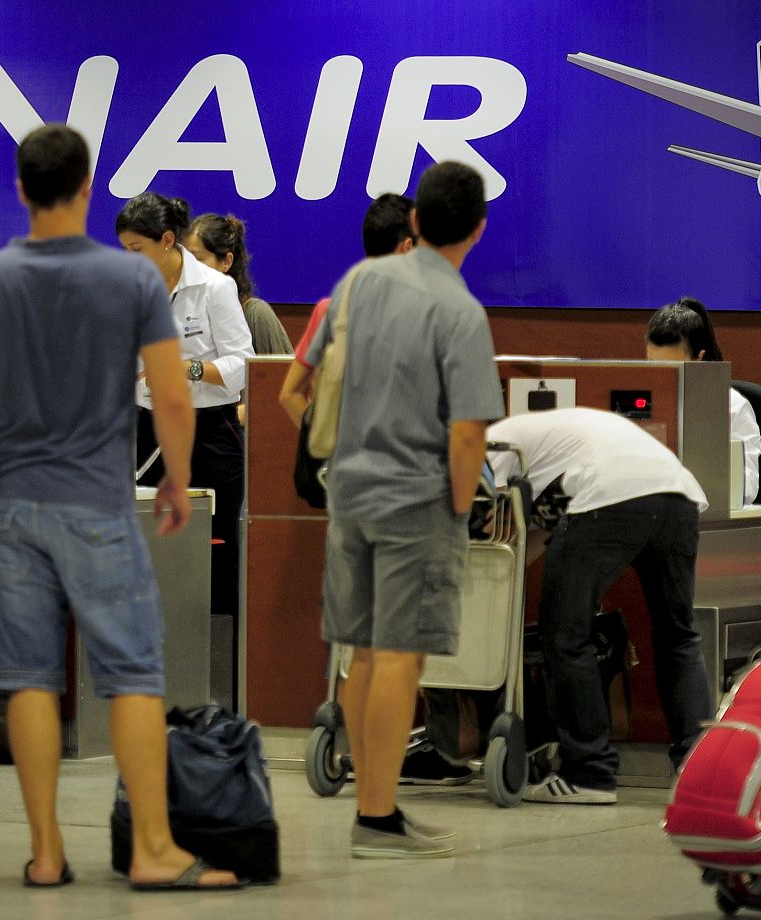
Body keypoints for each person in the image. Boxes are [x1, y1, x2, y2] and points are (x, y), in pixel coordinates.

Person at [0, 123, 237, 891]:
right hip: (100, 502)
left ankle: (44, 853)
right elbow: (173, 394)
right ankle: (151, 851)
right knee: (133, 674)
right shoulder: (132, 280)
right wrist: (174, 479)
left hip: (9, 502)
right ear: (86, 188)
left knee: (30, 677)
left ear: (19, 189)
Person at [285, 161, 502, 858]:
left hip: (348, 494)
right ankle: (377, 818)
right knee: (399, 658)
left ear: (414, 222)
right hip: (418, 500)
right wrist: (461, 506)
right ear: (478, 229)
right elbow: (469, 430)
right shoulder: (461, 311)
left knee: (361, 654)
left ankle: (373, 805)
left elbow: (300, 386)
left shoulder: (358, 282)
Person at [486, 407, 711, 804]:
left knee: (566, 634)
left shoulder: (494, 445)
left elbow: (491, 522)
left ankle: (589, 773)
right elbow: (534, 537)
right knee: (677, 635)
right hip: (679, 497)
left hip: (609, 496)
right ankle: (696, 769)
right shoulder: (559, 438)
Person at [117, 193, 254, 627]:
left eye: (137, 250)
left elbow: (242, 366)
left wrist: (188, 369)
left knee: (221, 545)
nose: (131, 260)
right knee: (146, 539)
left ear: (167, 240)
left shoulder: (215, 287)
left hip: (210, 432)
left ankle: (218, 650)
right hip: (148, 431)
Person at [278, 192, 416, 428]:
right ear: (407, 247)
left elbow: (290, 395)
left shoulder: (330, 310)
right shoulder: (427, 315)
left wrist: (325, 449)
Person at [645, 297, 761, 503]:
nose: (661, 376)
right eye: (653, 365)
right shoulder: (640, 403)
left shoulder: (732, 407)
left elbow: (746, 489)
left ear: (699, 358)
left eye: (672, 367)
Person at [185, 213, 292, 355]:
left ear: (226, 262)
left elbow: (280, 375)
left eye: (197, 259)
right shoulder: (183, 313)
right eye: (184, 259)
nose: (187, 268)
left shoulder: (256, 314)